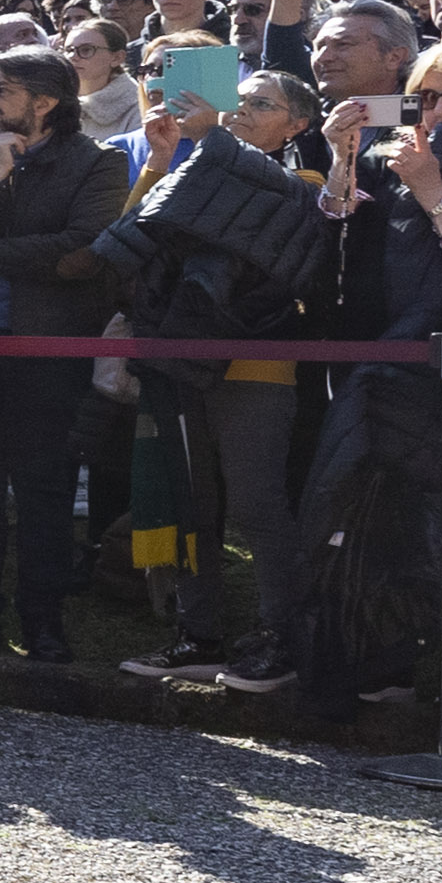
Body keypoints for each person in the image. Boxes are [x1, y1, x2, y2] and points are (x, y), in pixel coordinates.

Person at [300, 40, 442, 707]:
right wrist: (342, 165)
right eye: (425, 97)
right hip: (394, 374)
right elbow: (338, 269)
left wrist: (432, 191)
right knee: (384, 519)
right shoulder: (385, 163)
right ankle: (383, 666)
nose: (441, 109)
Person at [93, 68, 329, 683]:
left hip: (256, 361)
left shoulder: (304, 180)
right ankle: (199, 637)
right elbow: (129, 238)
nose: (243, 110)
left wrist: (209, 139)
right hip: (178, 354)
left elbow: (250, 210)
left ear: (297, 125)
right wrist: (161, 161)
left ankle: (284, 640)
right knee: (191, 502)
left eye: (263, 104)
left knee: (256, 504)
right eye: (239, 101)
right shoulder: (199, 167)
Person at [0, 47, 128, 659]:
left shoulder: (96, 162)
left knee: (44, 490)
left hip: (48, 351)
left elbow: (83, 250)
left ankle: (43, 620)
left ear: (45, 102)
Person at [65, 16, 142, 143]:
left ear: (117, 58)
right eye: (68, 50)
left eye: (86, 50)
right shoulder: (53, 103)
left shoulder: (138, 107)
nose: (73, 57)